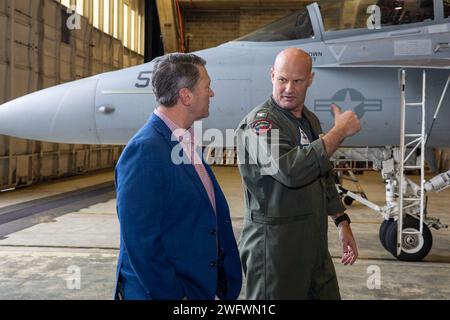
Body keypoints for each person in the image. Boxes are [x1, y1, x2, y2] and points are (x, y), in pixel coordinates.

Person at [114, 53, 242, 300]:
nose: (212, 93)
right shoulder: (145, 150)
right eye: (207, 86)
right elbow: (141, 243)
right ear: (186, 95)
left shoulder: (184, 140)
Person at [236, 48, 360, 299]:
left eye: (297, 81)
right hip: (275, 249)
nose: (289, 88)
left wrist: (341, 220)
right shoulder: (262, 123)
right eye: (282, 79)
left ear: (310, 79)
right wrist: (338, 133)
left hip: (312, 245)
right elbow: (290, 170)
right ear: (272, 76)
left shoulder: (309, 121)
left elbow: (322, 173)